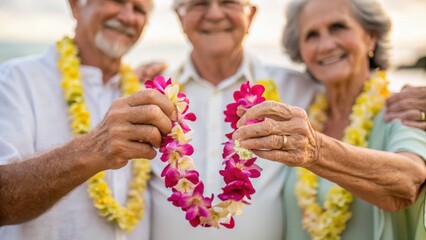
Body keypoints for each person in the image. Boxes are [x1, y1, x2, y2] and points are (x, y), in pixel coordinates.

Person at [232, 0, 426, 239]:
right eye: (312, 35)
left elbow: (409, 182)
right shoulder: (302, 112)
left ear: (370, 37)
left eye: (338, 27)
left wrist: (316, 150)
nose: (325, 45)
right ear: (301, 51)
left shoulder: (404, 110)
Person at [0, 0, 176, 239]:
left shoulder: (145, 91)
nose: (127, 17)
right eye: (117, 1)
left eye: (139, 9)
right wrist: (93, 148)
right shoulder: (14, 80)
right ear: (75, 6)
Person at [148, 0, 321, 239]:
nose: (215, 14)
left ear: (250, 15)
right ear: (180, 18)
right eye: (200, 4)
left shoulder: (299, 91)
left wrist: (386, 94)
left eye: (228, 2)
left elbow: (351, 92)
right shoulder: (152, 98)